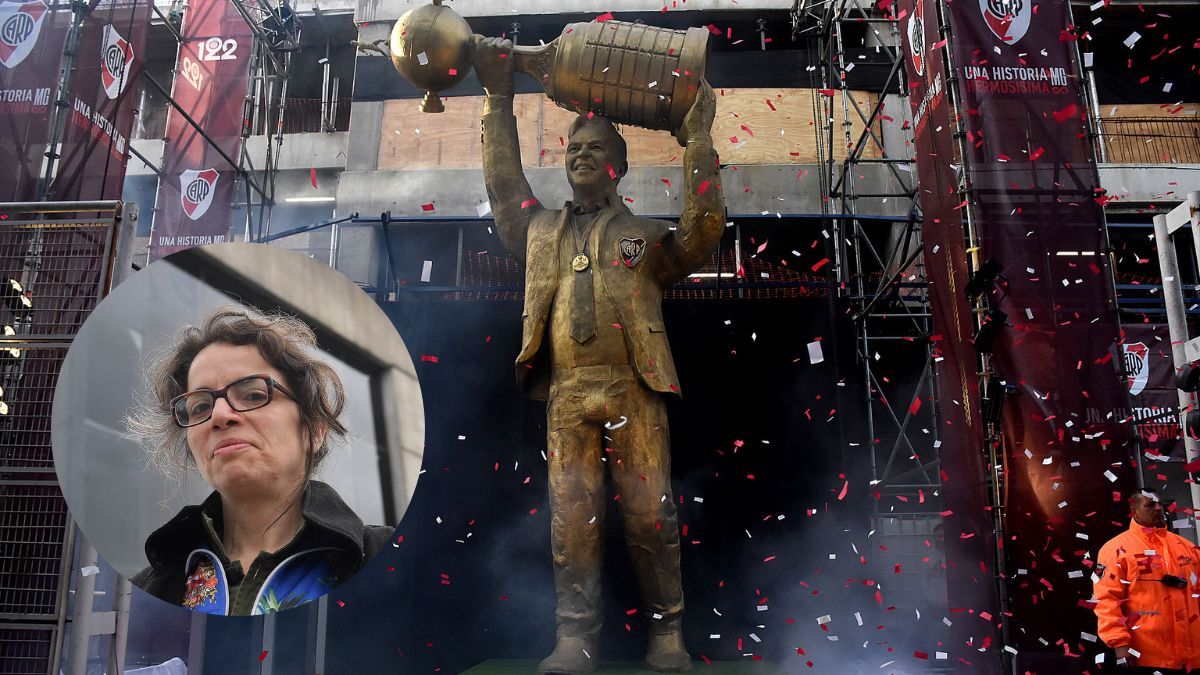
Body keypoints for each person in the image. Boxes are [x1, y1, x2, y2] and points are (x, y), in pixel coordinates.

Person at [472, 35, 725, 673]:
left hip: (632, 388)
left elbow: (702, 232)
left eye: (596, 150)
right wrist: (497, 98)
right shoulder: (537, 232)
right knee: (572, 521)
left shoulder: (644, 236)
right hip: (566, 392)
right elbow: (503, 188)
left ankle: (667, 632)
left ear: (620, 166)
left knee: (648, 515)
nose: (582, 156)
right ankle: (575, 637)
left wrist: (697, 140)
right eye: (574, 149)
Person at [125, 307, 393, 615]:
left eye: (253, 395)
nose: (219, 415)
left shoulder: (387, 558)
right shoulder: (147, 589)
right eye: (199, 407)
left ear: (315, 430)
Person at [1093, 488, 1200, 673]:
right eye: (1150, 505)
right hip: (1147, 657)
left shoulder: (1187, 547)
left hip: (1192, 657)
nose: (1158, 508)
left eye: (1160, 504)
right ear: (1134, 511)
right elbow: (1107, 600)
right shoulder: (1115, 550)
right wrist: (1119, 644)